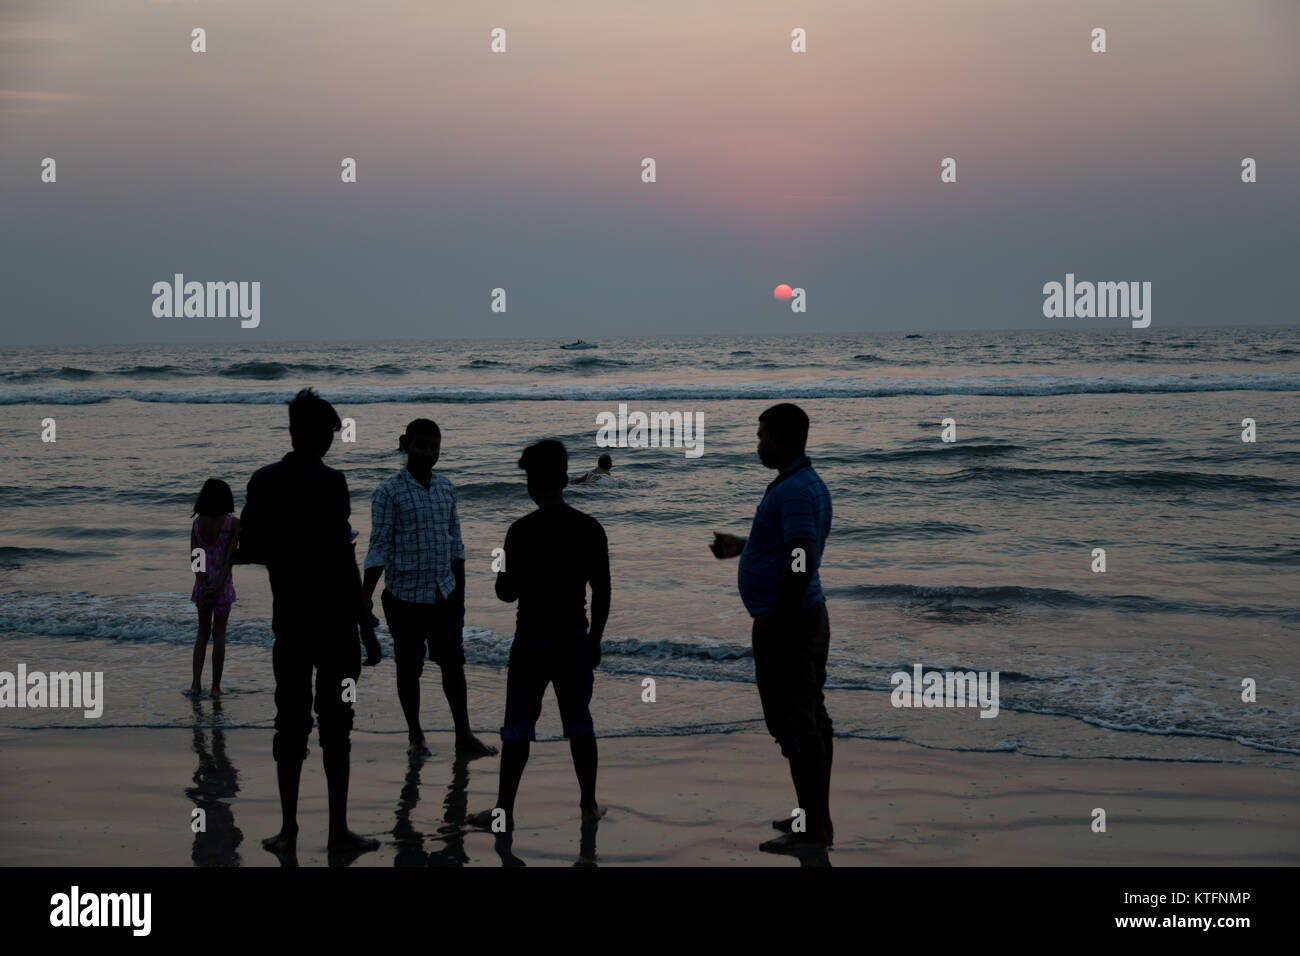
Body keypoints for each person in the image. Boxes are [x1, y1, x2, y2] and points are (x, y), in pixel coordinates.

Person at [236, 387, 383, 857]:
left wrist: (284, 548)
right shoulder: (332, 483)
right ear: (316, 434)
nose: (332, 443)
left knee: (291, 726)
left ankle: (288, 830)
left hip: (292, 625)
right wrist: (366, 627)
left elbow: (251, 550)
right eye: (331, 434)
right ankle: (337, 831)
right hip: (336, 628)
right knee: (337, 727)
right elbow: (344, 560)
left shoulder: (262, 482)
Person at [468, 440, 610, 831]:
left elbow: (505, 593)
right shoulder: (590, 529)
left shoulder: (519, 532)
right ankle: (587, 805)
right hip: (573, 638)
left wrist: (505, 568)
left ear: (530, 483)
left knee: (518, 726)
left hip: (531, 640)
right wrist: (595, 638)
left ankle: (504, 813)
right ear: (565, 479)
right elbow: (602, 590)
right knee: (579, 722)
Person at [710, 403, 833, 852]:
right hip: (801, 618)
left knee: (797, 727)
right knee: (809, 721)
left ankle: (815, 831)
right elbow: (789, 548)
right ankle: (814, 818)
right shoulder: (799, 483)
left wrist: (776, 617)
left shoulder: (796, 490)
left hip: (791, 623)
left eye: (762, 436)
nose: (758, 443)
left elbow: (802, 559)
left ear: (780, 439)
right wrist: (745, 547)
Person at [363, 418, 497, 758]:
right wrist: (363, 602)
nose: (427, 452)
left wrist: (461, 596)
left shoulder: (446, 488)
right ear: (405, 444)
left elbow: (457, 546)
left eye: (434, 446)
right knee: (409, 668)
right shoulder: (388, 492)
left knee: (454, 665)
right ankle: (415, 736)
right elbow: (377, 548)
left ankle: (463, 735)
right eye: (421, 445)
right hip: (404, 597)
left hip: (444, 593)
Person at [189, 478, 239, 697]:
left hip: (203, 586)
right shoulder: (232, 524)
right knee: (219, 636)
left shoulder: (197, 524)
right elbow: (229, 559)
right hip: (222, 587)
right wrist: (218, 587)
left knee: (201, 634)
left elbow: (195, 558)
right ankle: (216, 687)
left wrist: (203, 585)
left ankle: (196, 684)